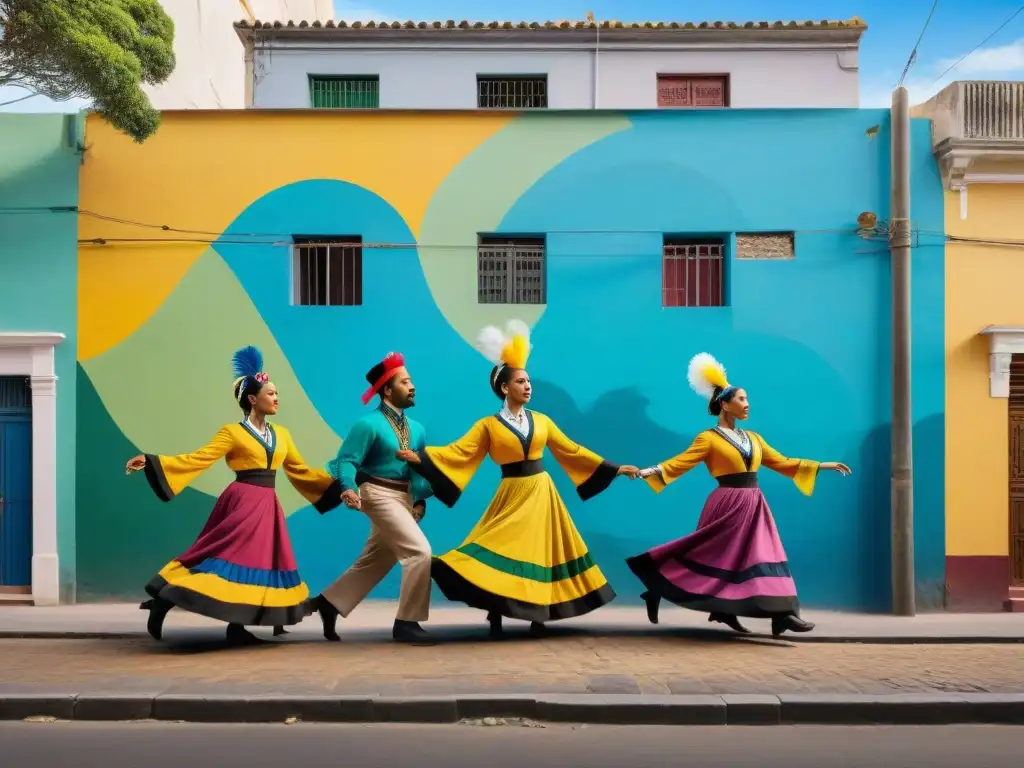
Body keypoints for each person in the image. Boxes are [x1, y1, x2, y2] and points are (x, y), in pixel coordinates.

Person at [396, 321, 639, 638]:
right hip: (511, 494)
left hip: (541, 494)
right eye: (521, 381)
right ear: (504, 388)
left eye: (528, 381)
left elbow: (572, 450)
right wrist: (424, 458)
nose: (528, 386)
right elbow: (461, 451)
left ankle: (539, 614)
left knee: (539, 552)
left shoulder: (543, 421)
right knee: (503, 549)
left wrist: (613, 468)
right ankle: (496, 609)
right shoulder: (488, 426)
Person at [126, 346, 343, 645]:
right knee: (224, 560)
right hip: (241, 501)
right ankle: (165, 600)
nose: (277, 398)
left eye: (277, 393)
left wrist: (340, 485)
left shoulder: (282, 435)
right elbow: (198, 458)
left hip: (268, 505)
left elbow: (300, 470)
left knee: (257, 565)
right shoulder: (232, 432)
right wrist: (152, 461)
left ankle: (238, 627)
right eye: (271, 393)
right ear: (253, 399)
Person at [625, 352, 851, 637]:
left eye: (747, 400)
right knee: (716, 557)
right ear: (725, 404)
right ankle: (660, 586)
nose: (747, 405)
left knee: (765, 554)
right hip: (727, 503)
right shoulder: (707, 438)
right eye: (742, 399)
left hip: (755, 504)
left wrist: (823, 465)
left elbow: (782, 462)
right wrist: (647, 471)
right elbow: (680, 462)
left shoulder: (754, 438)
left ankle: (781, 614)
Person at [306, 352, 436, 646]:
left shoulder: (418, 429)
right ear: (387, 390)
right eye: (405, 381)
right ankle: (407, 622)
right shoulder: (367, 425)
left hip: (403, 495)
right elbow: (346, 461)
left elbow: (419, 469)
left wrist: (419, 499)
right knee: (419, 552)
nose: (413, 386)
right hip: (376, 493)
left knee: (381, 556)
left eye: (411, 380)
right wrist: (349, 487)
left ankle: (330, 602)